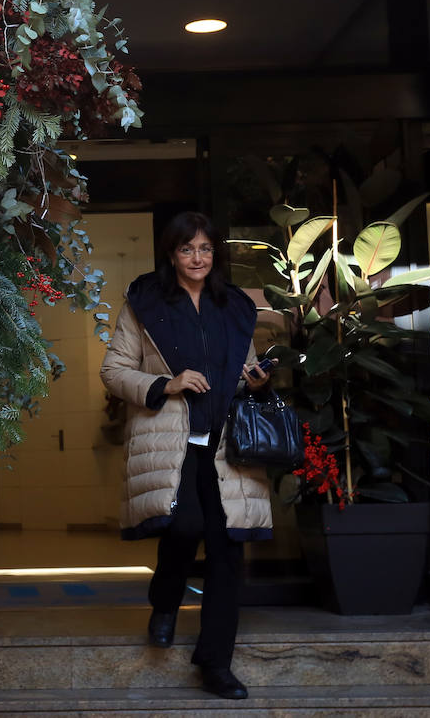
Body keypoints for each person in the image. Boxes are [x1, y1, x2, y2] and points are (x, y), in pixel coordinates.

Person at [99, 210, 273, 701]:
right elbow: (113, 371)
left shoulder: (234, 306)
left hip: (226, 449)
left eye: (205, 249)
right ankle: (165, 600)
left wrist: (256, 379)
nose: (196, 258)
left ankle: (216, 664)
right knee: (184, 527)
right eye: (186, 249)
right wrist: (166, 384)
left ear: (215, 254)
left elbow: (244, 369)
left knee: (226, 552)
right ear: (171, 254)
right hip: (172, 443)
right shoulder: (144, 302)